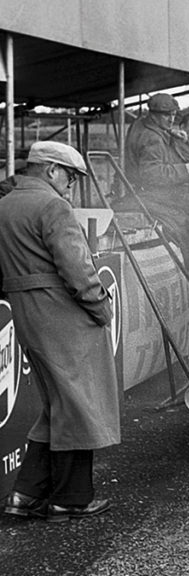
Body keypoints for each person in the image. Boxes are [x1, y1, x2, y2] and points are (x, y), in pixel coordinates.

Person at [0, 142, 119, 522]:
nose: (70, 186)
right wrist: (101, 307)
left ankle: (26, 495)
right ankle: (71, 498)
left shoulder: (5, 204)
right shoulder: (52, 206)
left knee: (56, 405)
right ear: (51, 170)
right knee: (79, 405)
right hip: (62, 314)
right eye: (69, 176)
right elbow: (78, 267)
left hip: (27, 312)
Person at [123, 93, 189, 268]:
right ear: (153, 114)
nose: (171, 119)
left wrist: (171, 133)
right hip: (151, 197)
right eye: (166, 115)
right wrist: (183, 169)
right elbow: (150, 174)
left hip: (144, 194)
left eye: (174, 114)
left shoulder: (142, 124)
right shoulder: (152, 138)